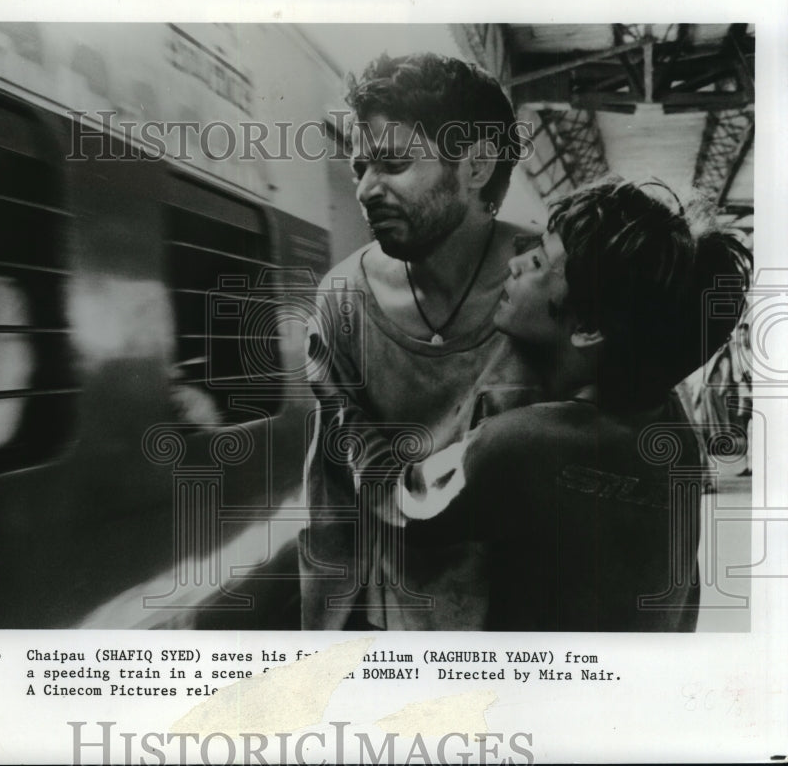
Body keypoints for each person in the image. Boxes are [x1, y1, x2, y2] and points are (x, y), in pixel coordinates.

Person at [394, 178, 752, 631]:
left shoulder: (519, 444)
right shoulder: (674, 432)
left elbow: (402, 505)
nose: (517, 263)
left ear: (588, 328)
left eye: (539, 260)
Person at [300, 52, 540, 630]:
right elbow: (333, 510)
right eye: (361, 168)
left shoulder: (557, 284)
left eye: (393, 163)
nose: (365, 189)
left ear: (476, 167)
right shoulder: (342, 302)